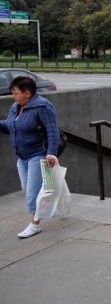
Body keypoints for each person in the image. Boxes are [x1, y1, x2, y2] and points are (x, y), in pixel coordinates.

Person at [0, 76, 61, 238]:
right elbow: (10, 126)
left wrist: (51, 153)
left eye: (15, 93)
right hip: (22, 156)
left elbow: (52, 131)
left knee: (33, 193)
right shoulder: (15, 107)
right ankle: (54, 202)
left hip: (39, 156)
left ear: (27, 93)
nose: (13, 96)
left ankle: (35, 224)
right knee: (28, 190)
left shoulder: (43, 106)